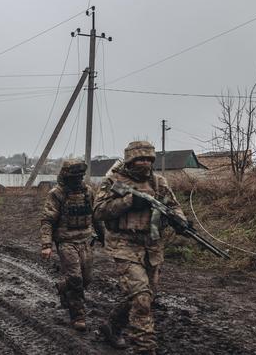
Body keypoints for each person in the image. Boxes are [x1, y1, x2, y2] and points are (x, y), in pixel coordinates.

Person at [93, 141, 186, 355]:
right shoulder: (113, 181)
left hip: (152, 245)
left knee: (145, 294)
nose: (144, 163)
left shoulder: (158, 182)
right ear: (130, 160)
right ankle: (145, 348)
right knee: (142, 299)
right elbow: (98, 211)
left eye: (148, 159)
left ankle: (112, 327)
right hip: (123, 244)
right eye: (140, 159)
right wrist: (128, 202)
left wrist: (180, 221)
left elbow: (173, 206)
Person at [39, 159, 104, 331]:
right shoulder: (57, 194)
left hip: (86, 240)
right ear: (66, 175)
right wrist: (46, 244)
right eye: (75, 176)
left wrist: (104, 237)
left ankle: (63, 286)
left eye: (81, 176)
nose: (78, 179)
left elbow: (96, 216)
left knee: (86, 279)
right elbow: (47, 220)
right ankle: (78, 315)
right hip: (66, 241)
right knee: (76, 278)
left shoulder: (88, 192)